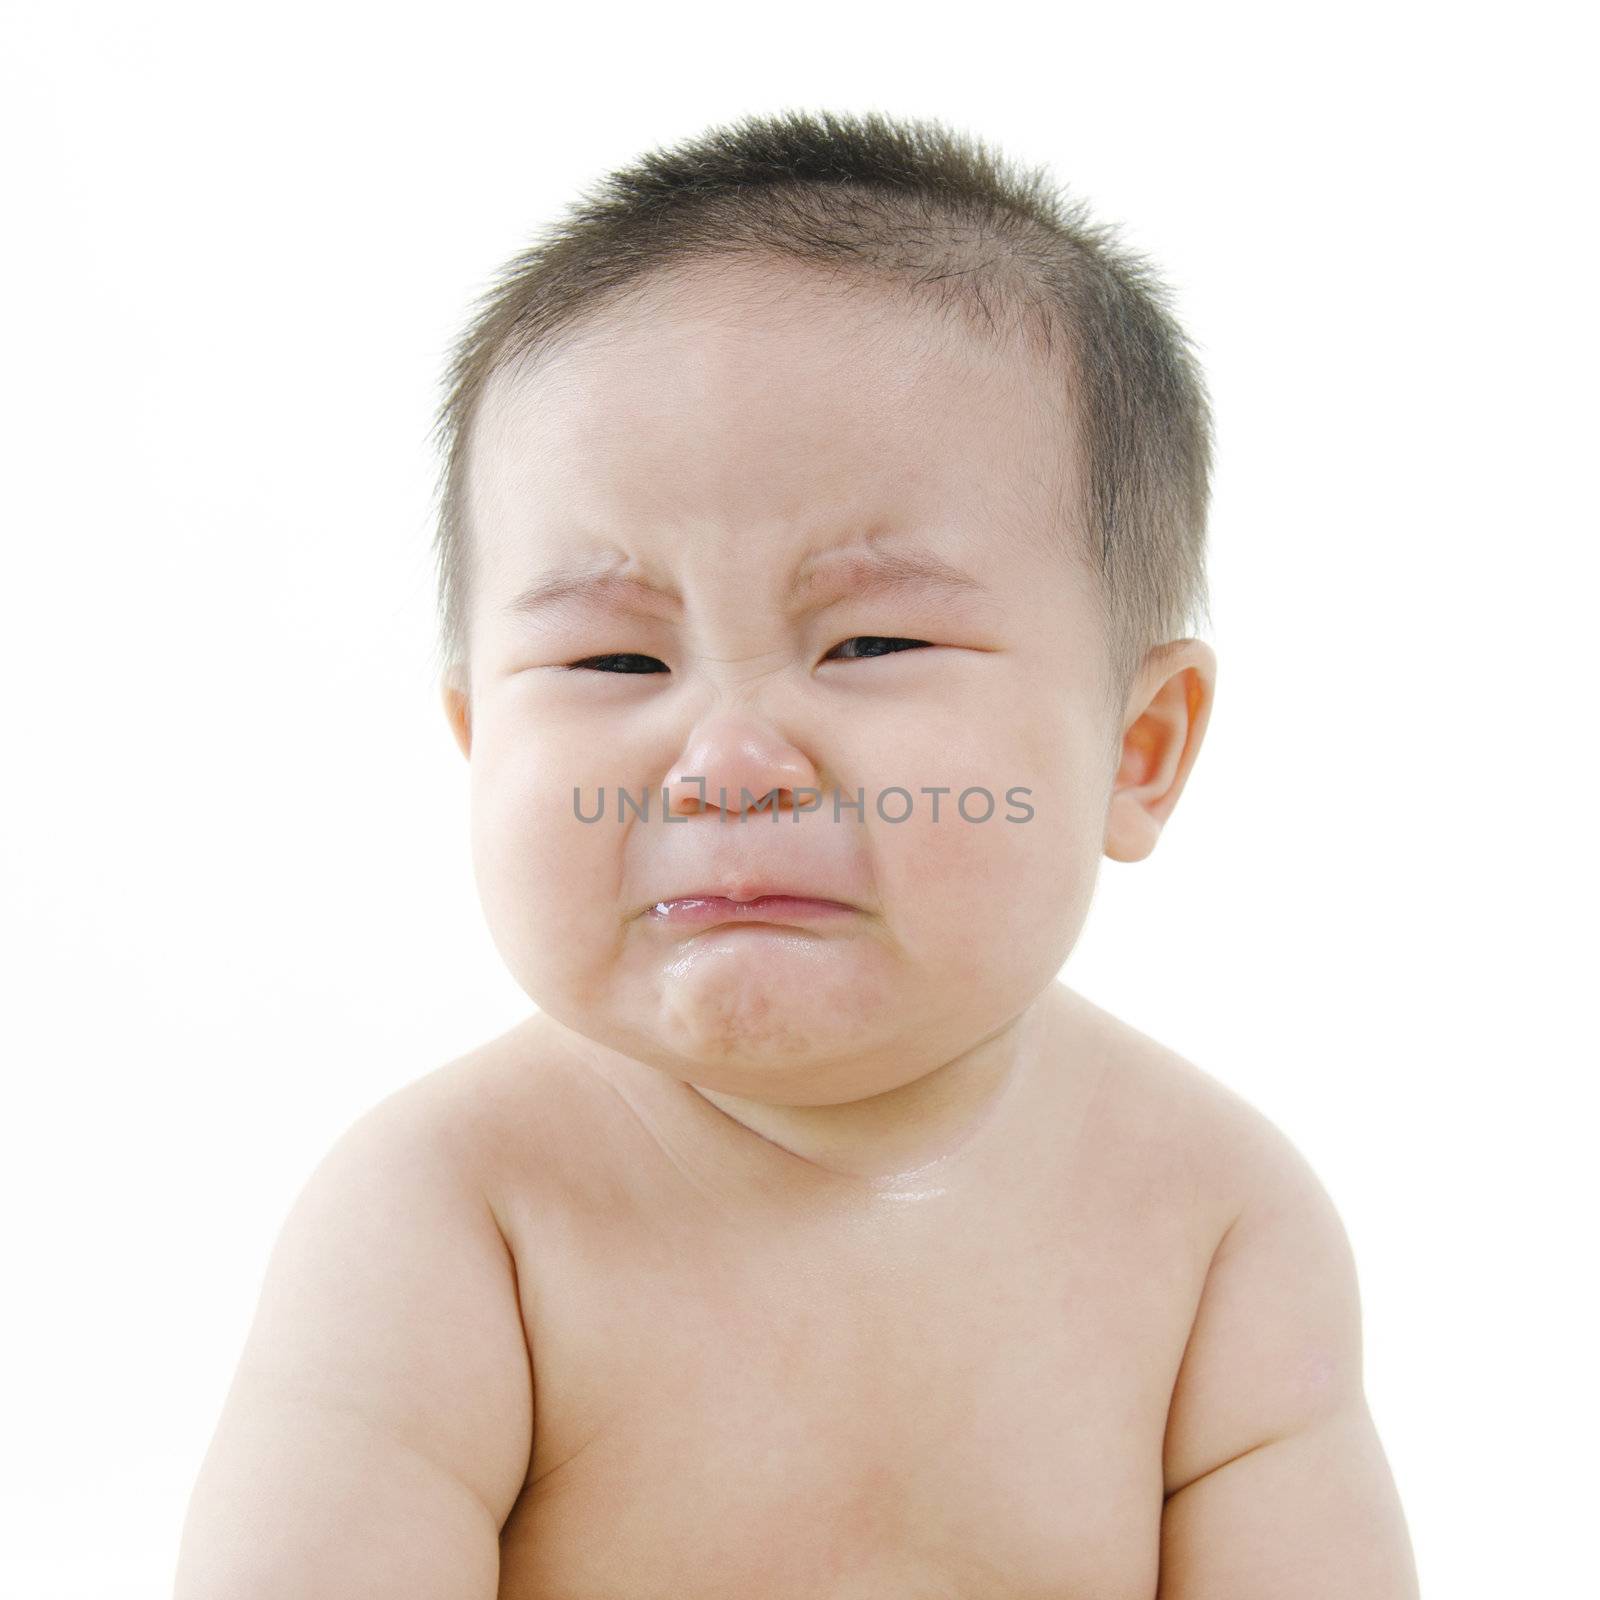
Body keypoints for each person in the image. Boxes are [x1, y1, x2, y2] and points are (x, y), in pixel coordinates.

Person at [174, 107, 1420, 1598]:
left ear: (1137, 751)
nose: (731, 762)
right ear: (476, 741)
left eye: (871, 640)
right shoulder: (457, 1221)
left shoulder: (1214, 1224)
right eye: (613, 666)